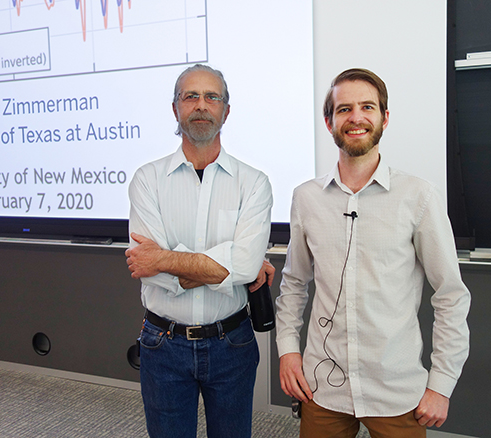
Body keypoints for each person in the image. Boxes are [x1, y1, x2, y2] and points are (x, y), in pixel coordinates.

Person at [275, 68, 471, 438]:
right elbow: (294, 283)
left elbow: (450, 296)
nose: (356, 117)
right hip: (323, 387)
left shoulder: (419, 197)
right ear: (329, 120)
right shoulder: (306, 198)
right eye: (344, 108)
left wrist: (441, 383)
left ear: (384, 117)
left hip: (396, 391)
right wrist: (288, 350)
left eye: (367, 106)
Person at [125, 64, 274, 438]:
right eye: (190, 96)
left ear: (226, 110)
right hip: (163, 345)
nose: (201, 105)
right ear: (175, 108)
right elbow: (151, 270)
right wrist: (225, 269)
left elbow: (245, 265)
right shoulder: (147, 180)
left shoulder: (254, 183)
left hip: (232, 344)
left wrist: (164, 258)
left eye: (212, 97)